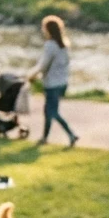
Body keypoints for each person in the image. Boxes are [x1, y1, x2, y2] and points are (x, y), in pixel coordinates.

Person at [28, 15, 78, 147]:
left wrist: (31, 75)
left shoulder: (50, 45)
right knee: (49, 111)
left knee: (52, 112)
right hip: (62, 82)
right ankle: (45, 138)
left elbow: (43, 65)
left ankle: (71, 134)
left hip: (52, 83)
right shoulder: (65, 45)